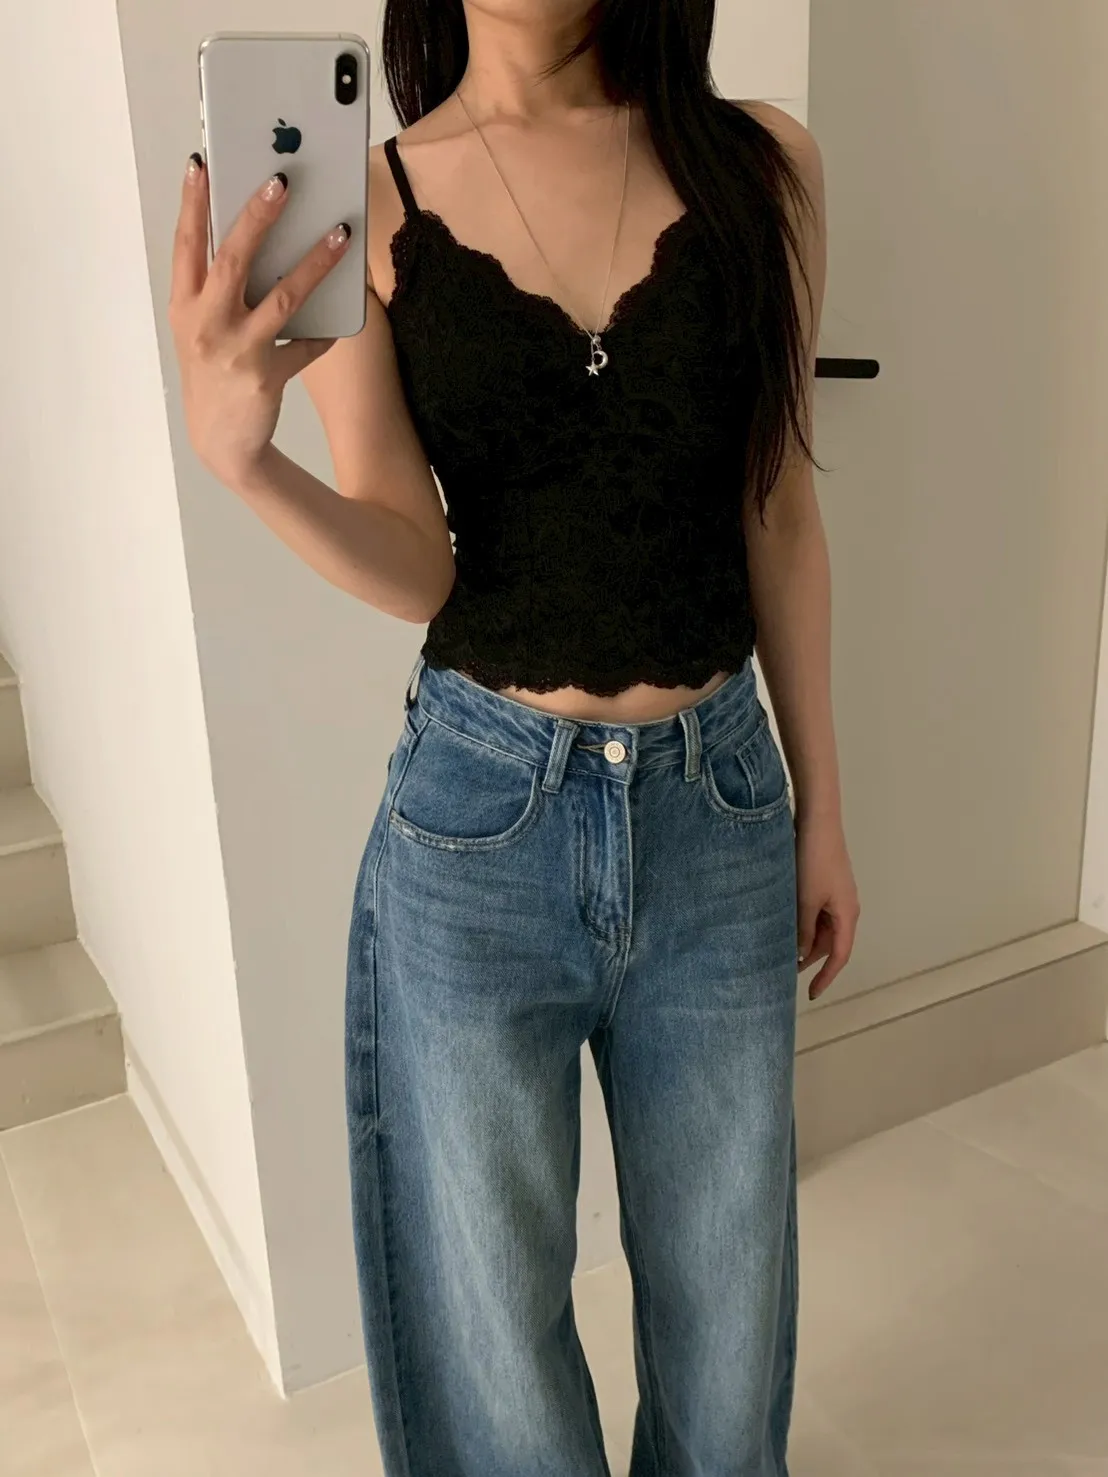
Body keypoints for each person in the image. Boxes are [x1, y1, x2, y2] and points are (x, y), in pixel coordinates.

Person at [169, 2, 860, 1472]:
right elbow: (418, 560)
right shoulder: (368, 201)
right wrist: (248, 469)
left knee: (730, 1325)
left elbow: (782, 512)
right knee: (491, 1342)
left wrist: (823, 810)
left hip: (720, 815)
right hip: (481, 831)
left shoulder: (765, 167)